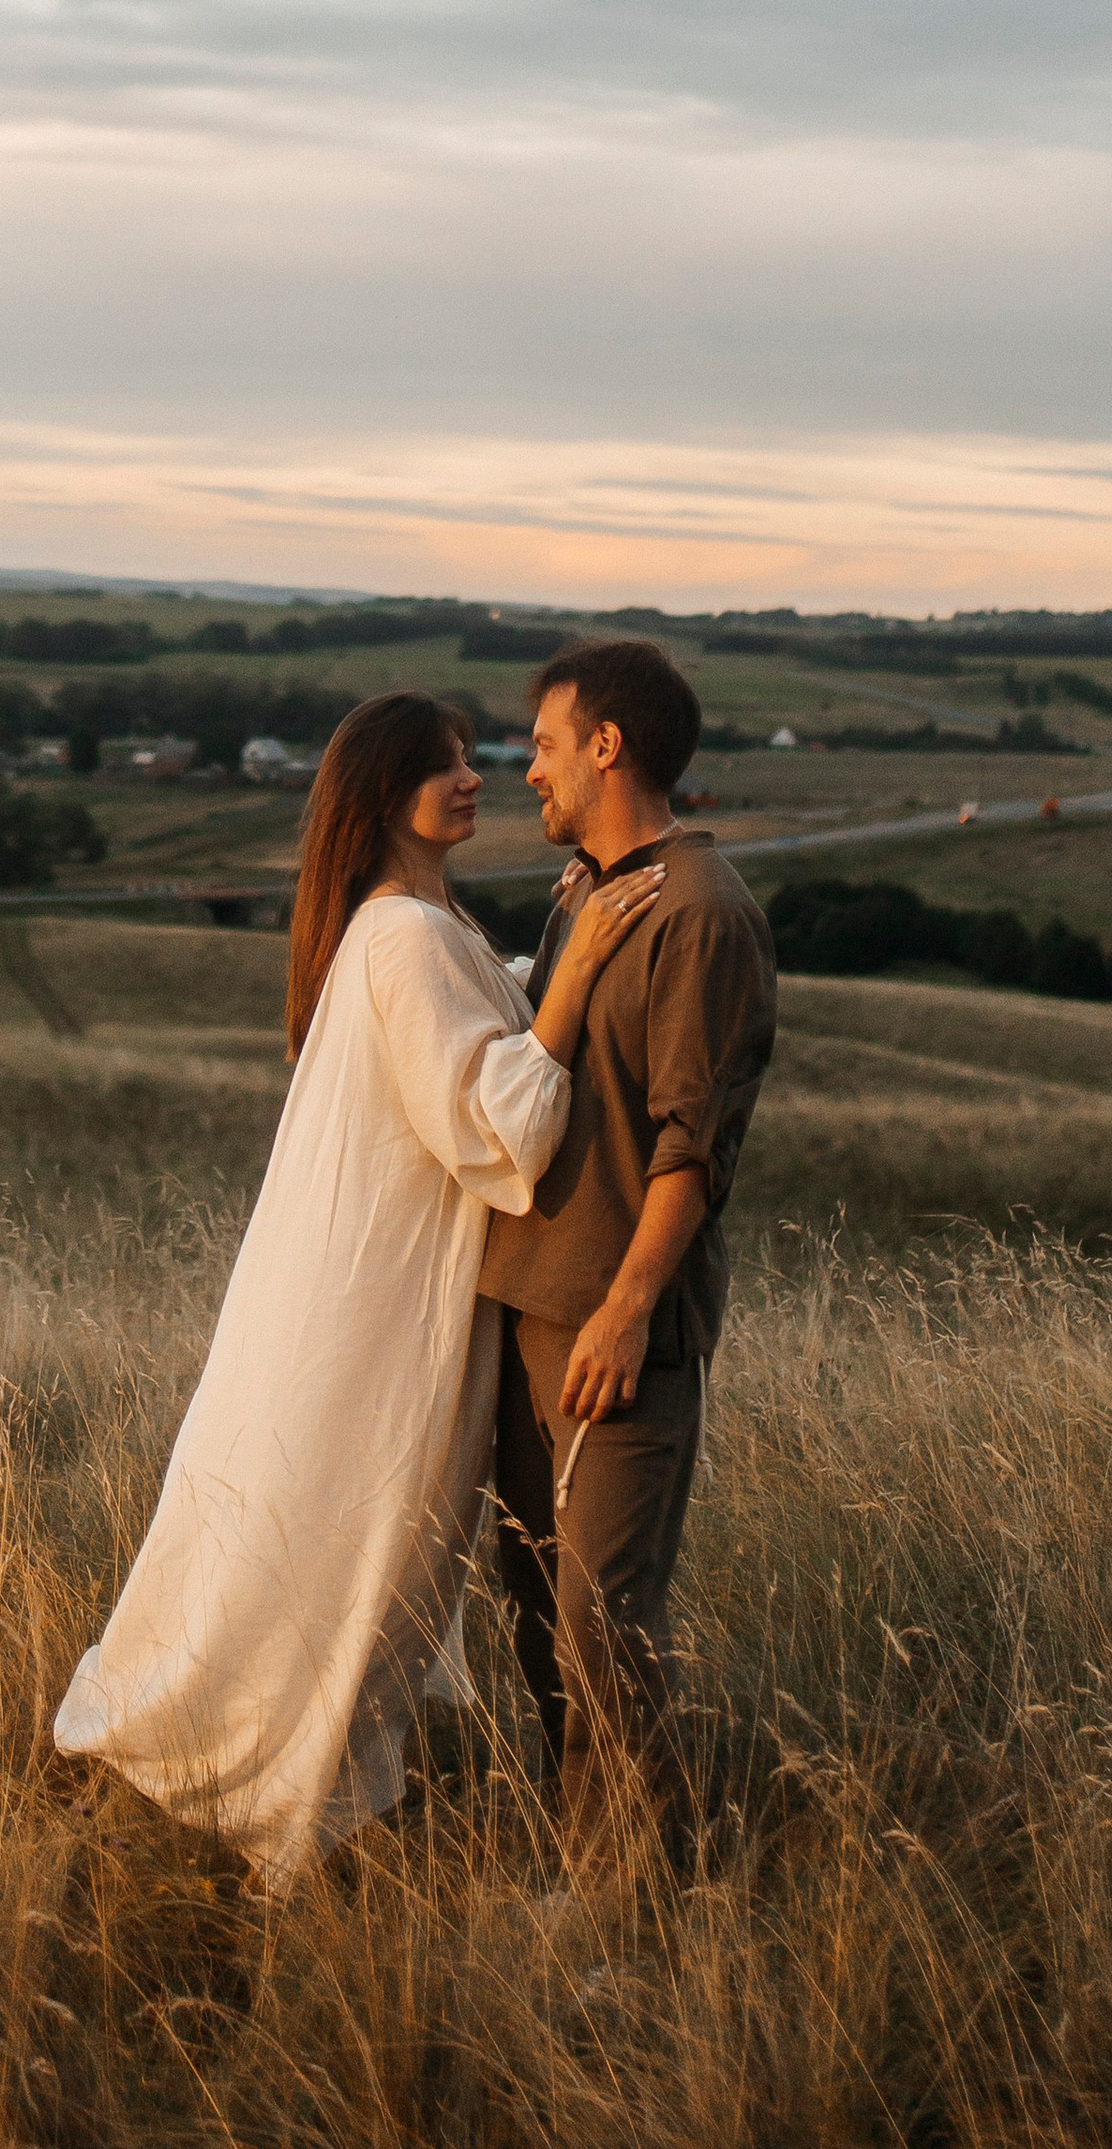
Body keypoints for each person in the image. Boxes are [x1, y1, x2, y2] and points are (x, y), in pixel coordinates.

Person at [53, 687, 666, 1886]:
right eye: (444, 766)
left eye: (472, 756)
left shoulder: (419, 925)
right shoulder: (400, 937)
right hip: (384, 1316)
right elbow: (498, 1122)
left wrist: (560, 948)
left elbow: (478, 1028)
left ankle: (252, 1769)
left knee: (338, 1548)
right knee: (347, 1545)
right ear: (385, 793)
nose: (474, 777)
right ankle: (229, 1773)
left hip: (372, 1299)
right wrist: (581, 966)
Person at [478, 638, 777, 1871]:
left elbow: (691, 1145)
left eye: (545, 745)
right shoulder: (590, 896)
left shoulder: (699, 912)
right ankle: (581, 1854)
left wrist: (627, 1306)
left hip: (614, 1328)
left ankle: (642, 1884)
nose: (528, 770)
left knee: (605, 1613)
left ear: (607, 746)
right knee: (539, 1607)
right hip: (526, 1304)